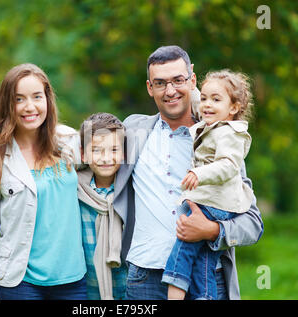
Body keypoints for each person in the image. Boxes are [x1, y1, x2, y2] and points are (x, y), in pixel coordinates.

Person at [113, 45, 264, 300]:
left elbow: (253, 224)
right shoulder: (134, 130)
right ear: (150, 88)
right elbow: (89, 148)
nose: (170, 91)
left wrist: (212, 230)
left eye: (178, 80)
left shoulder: (219, 143)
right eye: (160, 83)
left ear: (192, 80)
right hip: (144, 278)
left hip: (205, 277)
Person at [0, 63, 87, 300]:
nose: (30, 107)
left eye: (37, 97)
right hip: (20, 285)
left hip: (73, 282)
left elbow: (114, 153)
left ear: (47, 99)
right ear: (7, 105)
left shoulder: (69, 141)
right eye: (19, 99)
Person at [162, 69, 255, 300]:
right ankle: (205, 296)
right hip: (212, 201)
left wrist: (199, 172)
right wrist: (188, 82)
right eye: (204, 98)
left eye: (216, 99)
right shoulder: (212, 122)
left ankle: (174, 289)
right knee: (204, 259)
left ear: (233, 108)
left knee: (183, 249)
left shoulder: (230, 133)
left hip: (216, 203)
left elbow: (228, 165)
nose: (206, 104)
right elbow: (195, 98)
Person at [77, 112, 128, 300]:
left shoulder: (131, 191)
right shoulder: (74, 190)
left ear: (123, 153)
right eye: (97, 150)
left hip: (128, 290)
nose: (106, 158)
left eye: (114, 150)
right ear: (83, 154)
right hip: (85, 292)